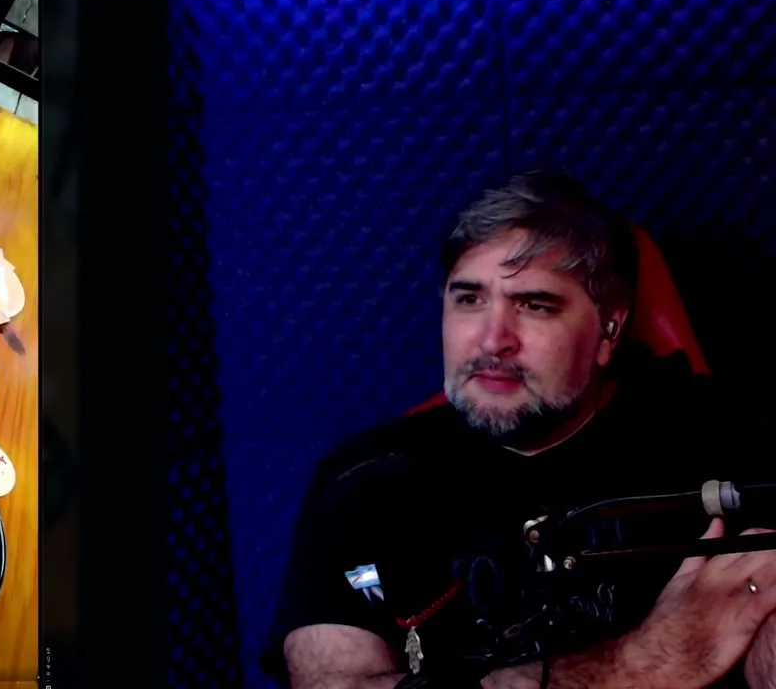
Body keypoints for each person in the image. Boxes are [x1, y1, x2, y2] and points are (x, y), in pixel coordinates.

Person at [262, 171, 775, 689]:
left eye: (534, 305)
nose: (492, 340)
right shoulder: (362, 485)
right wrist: (645, 663)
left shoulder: (727, 443)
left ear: (609, 328)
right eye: (469, 299)